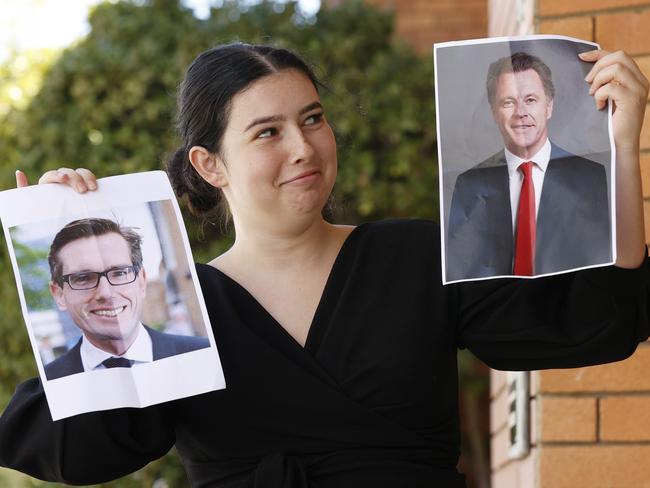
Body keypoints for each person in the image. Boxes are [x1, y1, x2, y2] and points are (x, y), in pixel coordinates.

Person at [0, 43, 648, 487]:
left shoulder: (420, 255)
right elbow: (86, 445)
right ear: (209, 164)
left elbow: (597, 318)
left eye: (312, 119)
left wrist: (620, 148)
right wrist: (62, 235)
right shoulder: (174, 307)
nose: (303, 148)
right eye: (267, 132)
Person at [447, 51, 611, 281]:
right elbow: (462, 268)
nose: (520, 112)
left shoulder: (590, 177)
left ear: (549, 107)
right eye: (508, 102)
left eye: (530, 100)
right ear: (494, 112)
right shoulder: (469, 184)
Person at [44, 217, 210, 380]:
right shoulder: (44, 392)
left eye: (120, 273)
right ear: (59, 294)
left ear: (142, 281)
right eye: (83, 278)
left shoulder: (205, 357)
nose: (106, 293)